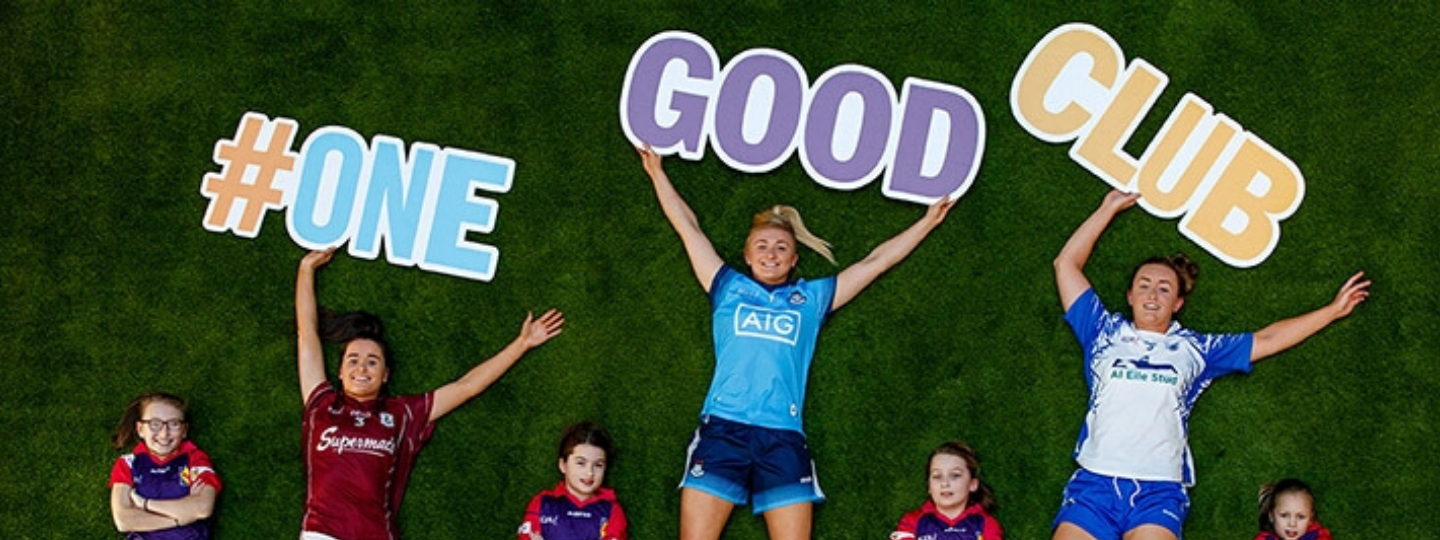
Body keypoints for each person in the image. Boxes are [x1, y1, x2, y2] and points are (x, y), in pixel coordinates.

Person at [636, 144, 956, 540]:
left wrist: (926, 223)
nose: (771, 253)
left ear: (793, 261)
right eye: (762, 246)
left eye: (781, 248)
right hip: (722, 431)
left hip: (783, 437)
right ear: (747, 256)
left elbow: (875, 262)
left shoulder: (811, 300)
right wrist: (656, 173)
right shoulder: (727, 287)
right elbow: (689, 228)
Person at [1050, 190, 1370, 540]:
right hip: (1095, 484)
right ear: (1129, 296)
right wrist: (1107, 209)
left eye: (1164, 289)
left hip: (1160, 491)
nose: (1153, 295)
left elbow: (1266, 339)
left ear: (1178, 303)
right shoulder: (1101, 331)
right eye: (1144, 286)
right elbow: (1066, 265)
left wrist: (1332, 310)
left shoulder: (1196, 349)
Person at [295, 249, 565, 540]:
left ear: (385, 375)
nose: (362, 368)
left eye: (372, 361)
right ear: (339, 372)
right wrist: (306, 269)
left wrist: (522, 343)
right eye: (353, 360)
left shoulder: (402, 413)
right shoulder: (321, 404)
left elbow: (467, 386)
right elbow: (307, 334)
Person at [109, 392, 222, 539]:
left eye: (174, 424)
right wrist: (179, 518)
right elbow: (124, 521)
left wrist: (145, 504)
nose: (164, 434)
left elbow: (202, 508)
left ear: (184, 430)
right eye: (154, 424)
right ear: (140, 429)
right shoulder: (128, 463)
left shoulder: (196, 460)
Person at [518, 422, 628, 540]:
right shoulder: (541, 503)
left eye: (598, 465)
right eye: (581, 463)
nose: (589, 472)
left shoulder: (612, 510)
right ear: (563, 465)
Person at [890, 441, 1003, 540]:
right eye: (937, 476)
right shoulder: (912, 522)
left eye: (954, 475)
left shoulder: (986, 524)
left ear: (972, 484)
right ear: (929, 486)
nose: (945, 483)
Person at [1253, 479, 1331, 540]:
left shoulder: (1319, 537)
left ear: (1310, 518)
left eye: (1300, 517)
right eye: (1284, 515)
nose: (1292, 524)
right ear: (1271, 516)